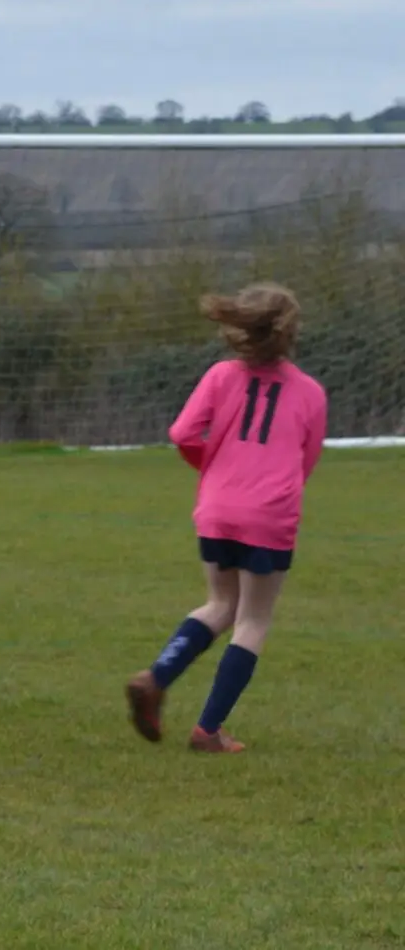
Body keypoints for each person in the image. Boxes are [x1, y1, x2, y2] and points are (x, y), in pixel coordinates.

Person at [125, 283, 327, 753]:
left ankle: (155, 679)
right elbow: (306, 461)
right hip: (270, 512)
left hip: (217, 507)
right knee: (253, 619)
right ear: (290, 333)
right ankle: (208, 731)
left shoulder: (220, 377)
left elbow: (182, 432)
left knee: (219, 604)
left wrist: (212, 465)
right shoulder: (311, 393)